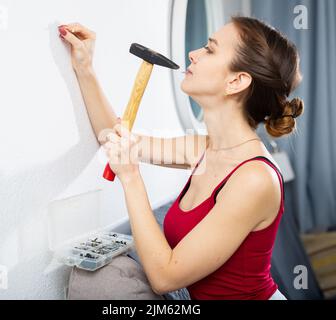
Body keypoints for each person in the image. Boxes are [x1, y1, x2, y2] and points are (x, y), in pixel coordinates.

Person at [58, 15, 303, 300]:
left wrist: (131, 176)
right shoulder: (203, 149)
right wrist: (85, 67)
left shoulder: (255, 179)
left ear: (237, 81)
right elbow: (112, 135)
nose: (193, 54)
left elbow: (164, 278)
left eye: (210, 49)